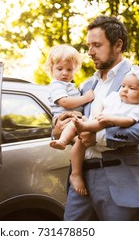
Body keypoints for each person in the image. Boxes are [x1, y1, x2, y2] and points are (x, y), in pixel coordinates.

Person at [53, 15, 139, 221]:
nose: (89, 52)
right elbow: (72, 120)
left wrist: (101, 137)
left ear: (117, 45)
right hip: (80, 181)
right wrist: (58, 127)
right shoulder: (86, 86)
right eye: (88, 45)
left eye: (96, 45)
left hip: (120, 181)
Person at [52, 68, 139, 150]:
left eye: (97, 45)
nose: (90, 52)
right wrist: (56, 130)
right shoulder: (88, 85)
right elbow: (98, 105)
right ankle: (63, 143)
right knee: (74, 125)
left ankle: (82, 127)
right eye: (123, 86)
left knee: (99, 123)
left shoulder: (138, 106)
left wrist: (102, 132)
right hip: (91, 127)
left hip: (114, 156)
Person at [45, 44, 95, 196]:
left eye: (69, 69)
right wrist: (85, 98)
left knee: (80, 144)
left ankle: (76, 173)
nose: (64, 73)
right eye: (60, 69)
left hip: (74, 122)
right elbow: (65, 103)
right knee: (76, 129)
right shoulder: (57, 85)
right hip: (67, 120)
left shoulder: (69, 85)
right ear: (51, 69)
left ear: (75, 69)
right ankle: (62, 142)